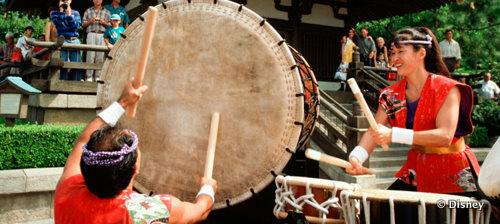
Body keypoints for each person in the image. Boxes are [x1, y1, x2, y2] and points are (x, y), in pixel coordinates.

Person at [346, 27, 480, 223]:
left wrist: (393, 135)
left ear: (421, 53)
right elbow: (374, 130)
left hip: (454, 171)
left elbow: (445, 136)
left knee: (456, 215)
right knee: (379, 210)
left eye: (401, 52)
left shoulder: (448, 88)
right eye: (393, 53)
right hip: (418, 168)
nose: (394, 58)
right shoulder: (391, 94)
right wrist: (357, 157)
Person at [54, 79, 217, 223]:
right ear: (135, 170)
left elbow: (83, 140)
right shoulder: (145, 212)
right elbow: (200, 211)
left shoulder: (67, 191)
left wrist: (122, 102)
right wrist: (207, 188)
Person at [51, 0, 83, 81]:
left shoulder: (76, 13)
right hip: (62, 40)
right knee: (61, 64)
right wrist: (61, 11)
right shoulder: (55, 13)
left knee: (77, 64)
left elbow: (76, 27)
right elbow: (58, 24)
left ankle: (76, 83)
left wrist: (69, 15)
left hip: (74, 40)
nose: (65, 1)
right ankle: (61, 82)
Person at [83, 0, 111, 82]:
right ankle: (89, 77)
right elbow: (83, 24)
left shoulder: (106, 12)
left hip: (102, 34)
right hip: (91, 33)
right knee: (90, 55)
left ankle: (98, 76)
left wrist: (104, 22)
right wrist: (90, 21)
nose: (97, 1)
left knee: (100, 55)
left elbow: (111, 25)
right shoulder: (88, 11)